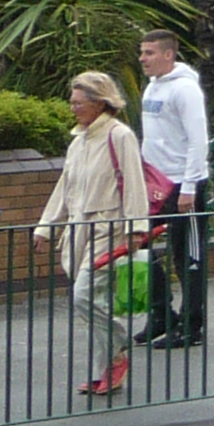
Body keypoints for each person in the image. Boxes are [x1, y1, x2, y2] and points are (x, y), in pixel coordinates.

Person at [38, 71, 153, 397]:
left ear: (99, 102)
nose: (72, 108)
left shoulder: (120, 136)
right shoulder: (79, 141)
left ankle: (118, 352)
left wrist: (135, 230)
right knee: (91, 301)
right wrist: (45, 227)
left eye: (78, 102)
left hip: (109, 231)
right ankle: (109, 367)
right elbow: (65, 186)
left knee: (85, 296)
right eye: (72, 102)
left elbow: (133, 183)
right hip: (78, 232)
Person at [133, 30, 214, 350]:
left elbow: (198, 139)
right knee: (137, 245)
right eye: (142, 52)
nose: (142, 58)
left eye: (150, 53)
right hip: (155, 184)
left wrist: (190, 187)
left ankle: (192, 325)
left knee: (187, 257)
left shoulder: (185, 90)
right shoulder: (152, 88)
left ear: (169, 55)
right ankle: (160, 315)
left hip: (184, 185)